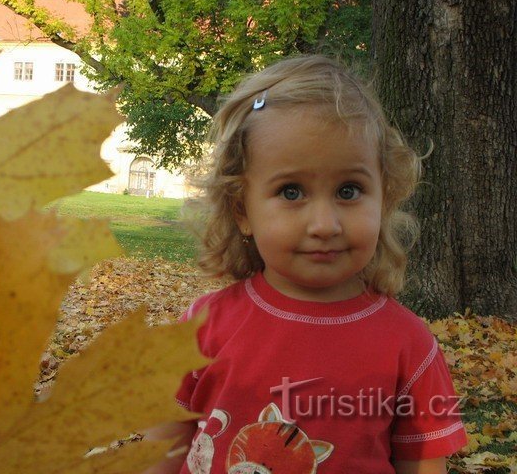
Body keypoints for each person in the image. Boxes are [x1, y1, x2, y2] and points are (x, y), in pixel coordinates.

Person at [143, 55, 467, 474]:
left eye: (349, 190)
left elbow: (421, 465)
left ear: (384, 198)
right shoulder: (202, 327)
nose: (324, 224)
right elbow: (161, 451)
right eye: (291, 192)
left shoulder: (409, 344)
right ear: (242, 208)